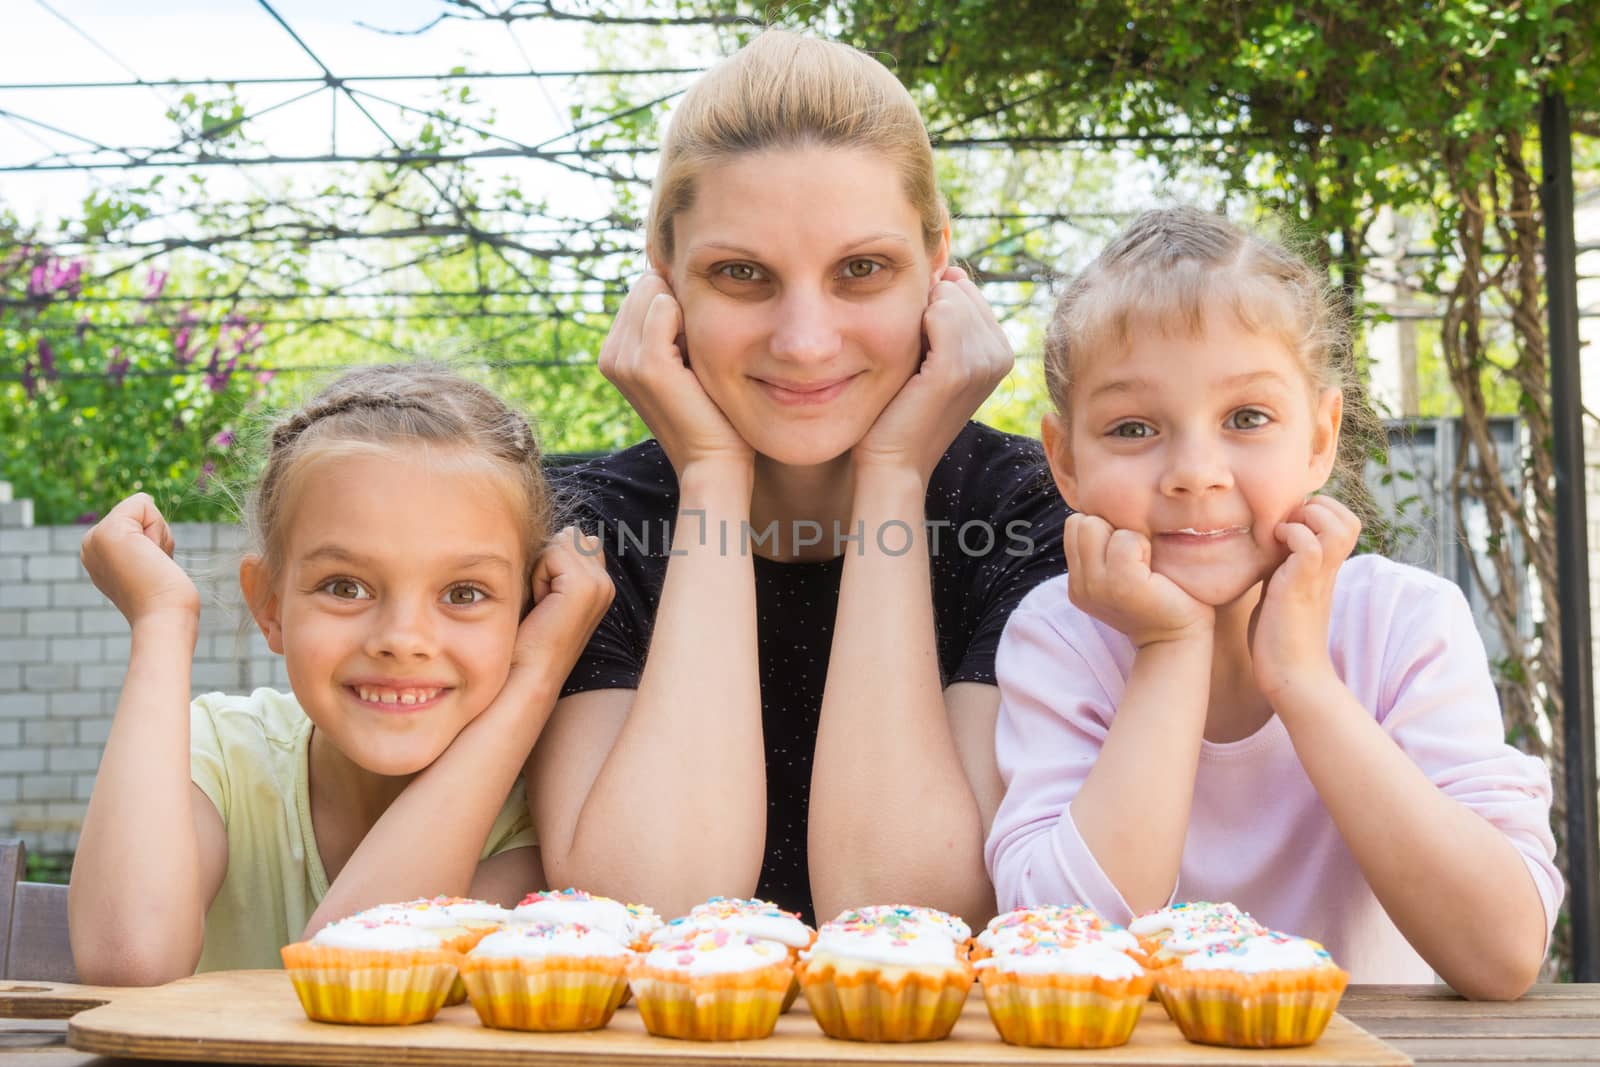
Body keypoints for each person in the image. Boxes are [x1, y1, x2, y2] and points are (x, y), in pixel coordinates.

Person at [527, 29, 1068, 925]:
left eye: (863, 269)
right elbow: (645, 914)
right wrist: (711, 476)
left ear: (937, 264)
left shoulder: (1035, 511)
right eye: (742, 274)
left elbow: (909, 918)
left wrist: (894, 476)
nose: (806, 341)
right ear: (665, 279)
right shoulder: (579, 527)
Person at [985, 207, 1562, 998]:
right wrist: (1169, 648)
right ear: (1065, 461)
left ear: (1321, 439)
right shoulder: (1057, 639)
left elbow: (1500, 953)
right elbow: (1069, 950)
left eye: (1247, 417)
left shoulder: (1405, 624)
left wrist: (1302, 678)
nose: (1196, 470)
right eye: (1132, 426)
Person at [69, 363, 613, 984]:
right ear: (270, 604)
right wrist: (162, 620)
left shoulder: (538, 822)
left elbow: (352, 970)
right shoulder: (220, 754)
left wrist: (536, 675)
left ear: (527, 610)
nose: (402, 640)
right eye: (346, 586)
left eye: (464, 593)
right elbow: (128, 961)